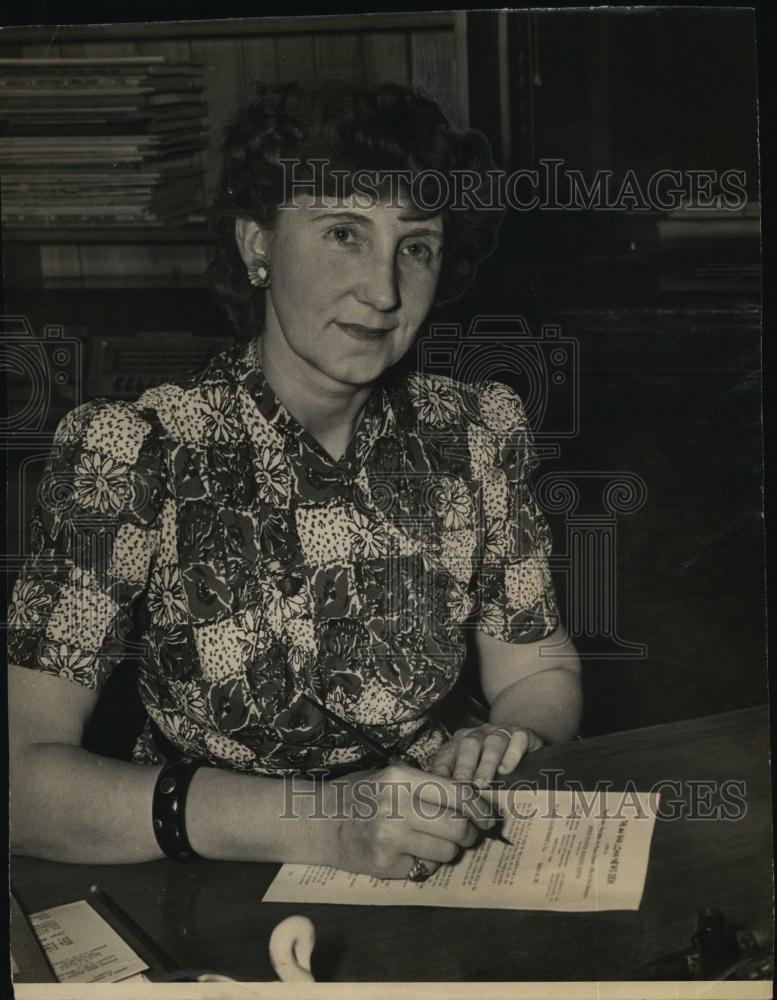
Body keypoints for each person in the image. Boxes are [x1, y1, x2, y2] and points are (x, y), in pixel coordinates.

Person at [8, 79, 581, 880]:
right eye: (343, 232)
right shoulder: (132, 450)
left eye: (414, 245)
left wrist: (505, 740)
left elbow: (536, 667)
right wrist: (322, 828)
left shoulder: (476, 428)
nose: (384, 292)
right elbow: (21, 787)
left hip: (433, 853)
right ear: (258, 244)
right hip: (210, 875)